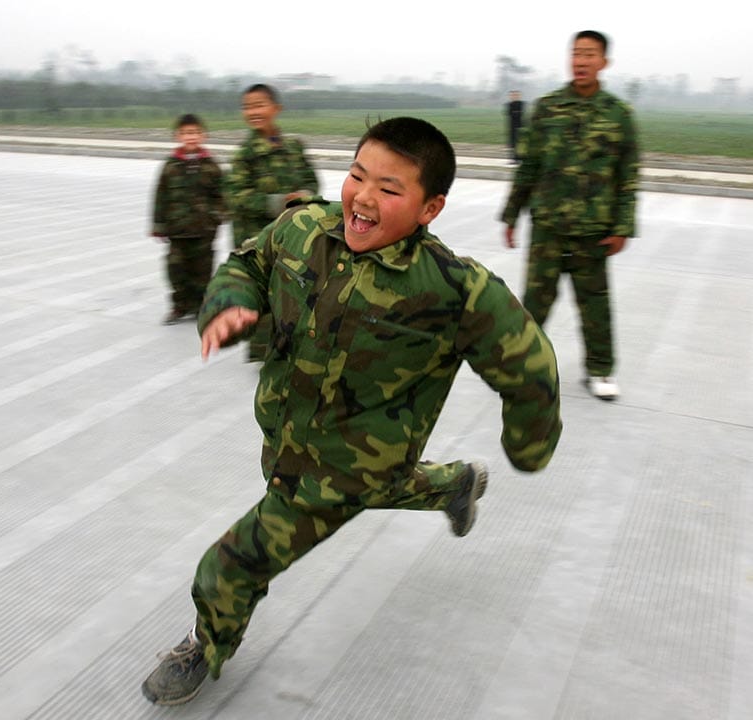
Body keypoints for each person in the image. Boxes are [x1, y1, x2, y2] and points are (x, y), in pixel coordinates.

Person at [141, 117, 563, 706]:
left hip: (338, 471)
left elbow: (531, 368)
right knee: (385, 484)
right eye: (357, 175)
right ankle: (454, 485)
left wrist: (529, 446)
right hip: (295, 441)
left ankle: (204, 645)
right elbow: (249, 264)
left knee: (232, 564)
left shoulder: (452, 289)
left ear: (429, 208)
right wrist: (231, 303)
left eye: (389, 190)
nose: (363, 198)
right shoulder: (303, 229)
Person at [500, 30, 639, 401]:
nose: (581, 61)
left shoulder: (619, 115)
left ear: (604, 62)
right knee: (534, 302)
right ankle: (520, 368)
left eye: (590, 54)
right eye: (576, 54)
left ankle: (600, 370)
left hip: (593, 230)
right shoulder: (547, 109)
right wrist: (511, 214)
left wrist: (623, 226)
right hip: (548, 227)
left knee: (595, 305)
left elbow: (628, 177)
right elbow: (528, 166)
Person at [225, 83, 320, 360]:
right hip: (256, 238)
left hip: (293, 235)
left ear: (276, 109)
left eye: (259, 105)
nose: (253, 111)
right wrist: (278, 202)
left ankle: (292, 343)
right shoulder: (245, 155)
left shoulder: (293, 147)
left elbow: (311, 180)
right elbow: (235, 196)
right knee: (263, 295)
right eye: (247, 106)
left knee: (294, 291)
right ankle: (264, 352)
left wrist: (306, 195)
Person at [150, 113, 225, 325]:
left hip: (204, 230)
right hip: (177, 230)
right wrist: (158, 224)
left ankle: (201, 307)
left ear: (203, 136)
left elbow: (223, 195)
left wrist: (217, 216)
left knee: (202, 271)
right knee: (176, 269)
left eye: (194, 133)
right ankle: (179, 306)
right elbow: (160, 195)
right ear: (178, 136)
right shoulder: (170, 166)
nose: (190, 137)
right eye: (185, 133)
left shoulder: (212, 165)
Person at [505, 89, 524, 162]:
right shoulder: (509, 105)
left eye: (516, 95)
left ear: (519, 96)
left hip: (520, 126)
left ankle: (519, 158)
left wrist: (515, 113)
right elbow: (510, 114)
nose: (514, 96)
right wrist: (516, 113)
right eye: (512, 95)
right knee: (512, 143)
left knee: (520, 143)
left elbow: (519, 114)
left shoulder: (521, 104)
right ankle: (513, 158)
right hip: (511, 126)